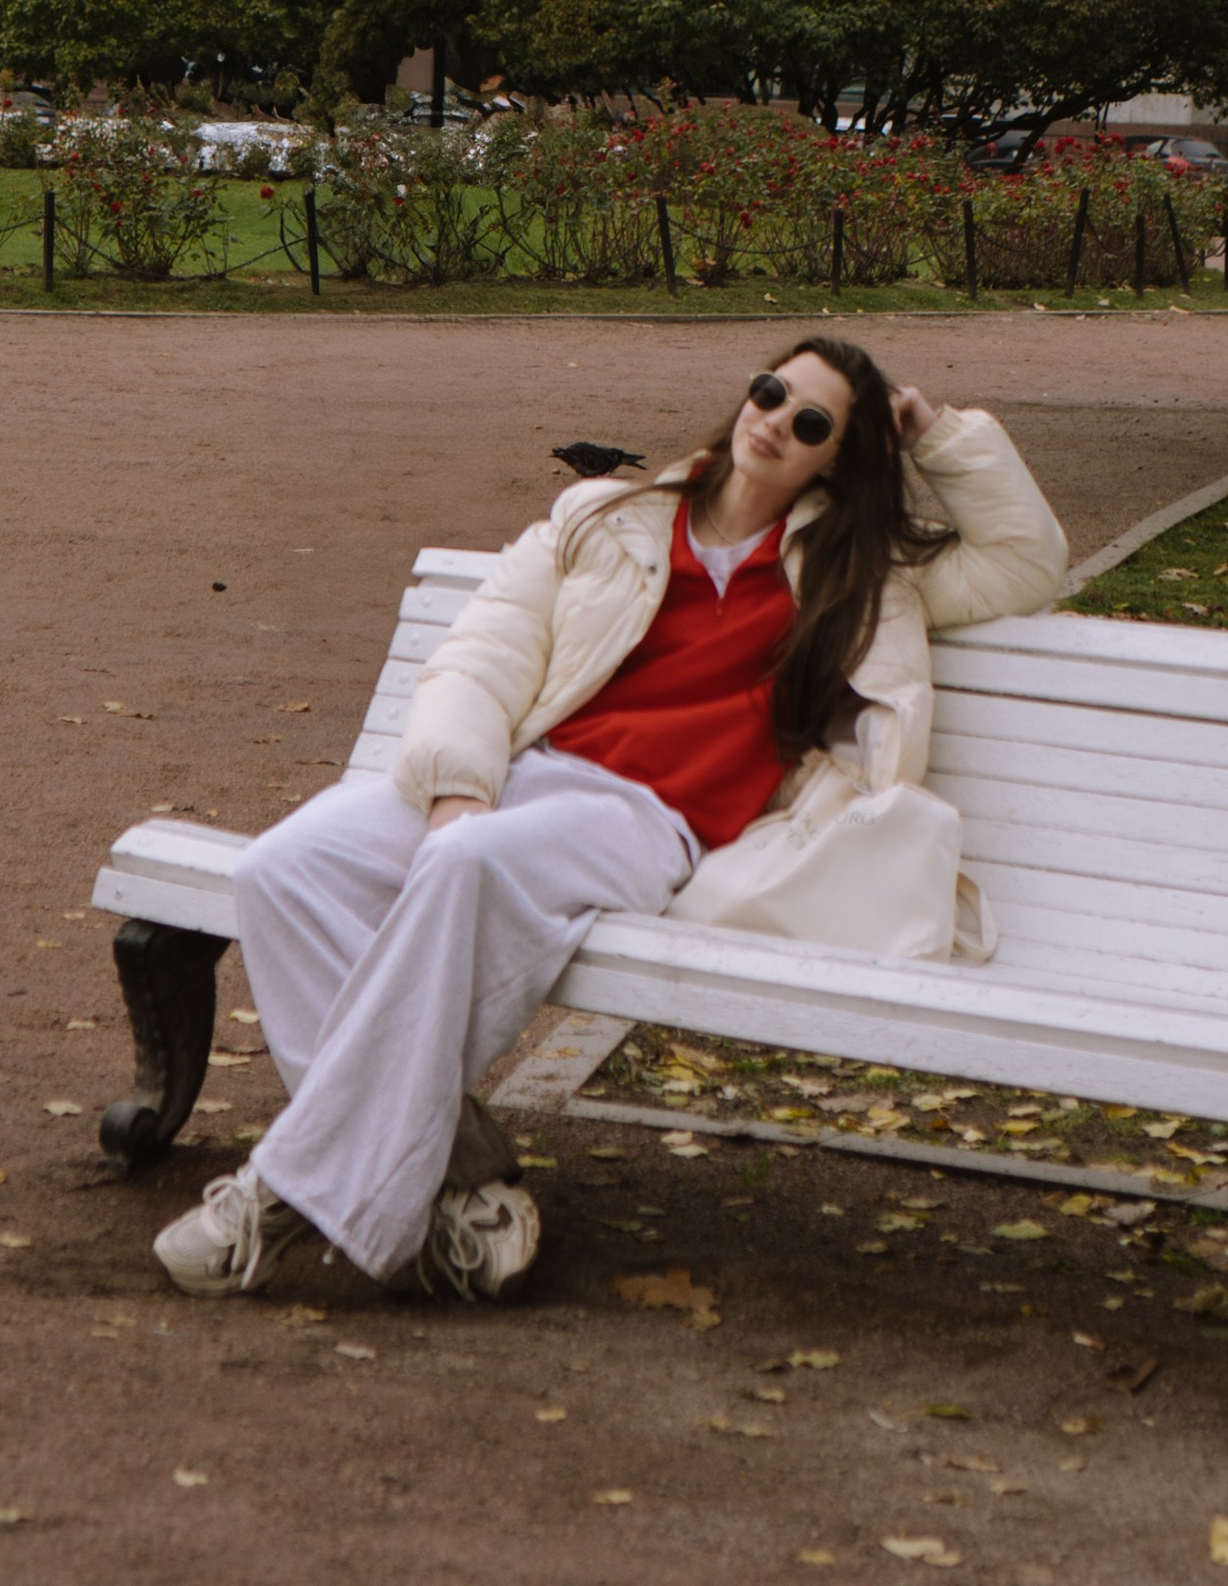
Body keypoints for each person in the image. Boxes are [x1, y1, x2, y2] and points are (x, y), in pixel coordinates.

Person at [153, 337, 1067, 1303]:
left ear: (834, 457)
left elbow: (1025, 563)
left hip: (648, 820)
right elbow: (481, 655)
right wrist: (462, 780)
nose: (774, 422)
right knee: (282, 870)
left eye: (810, 423)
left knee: (461, 867)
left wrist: (936, 433)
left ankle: (279, 1193)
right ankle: (456, 1188)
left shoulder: (862, 574)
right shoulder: (605, 515)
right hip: (527, 774)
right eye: (769, 393)